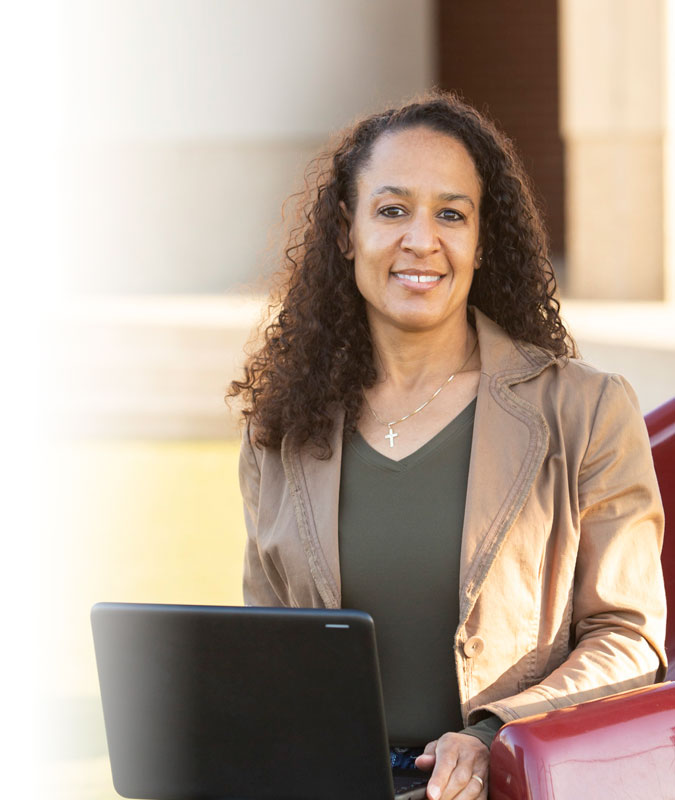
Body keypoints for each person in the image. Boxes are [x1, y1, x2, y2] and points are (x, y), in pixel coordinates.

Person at [229, 92, 666, 800]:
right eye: (392, 210)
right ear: (345, 231)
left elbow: (628, 640)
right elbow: (266, 652)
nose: (421, 240)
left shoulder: (583, 409)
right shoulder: (281, 431)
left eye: (451, 214)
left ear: (481, 239)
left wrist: (494, 733)